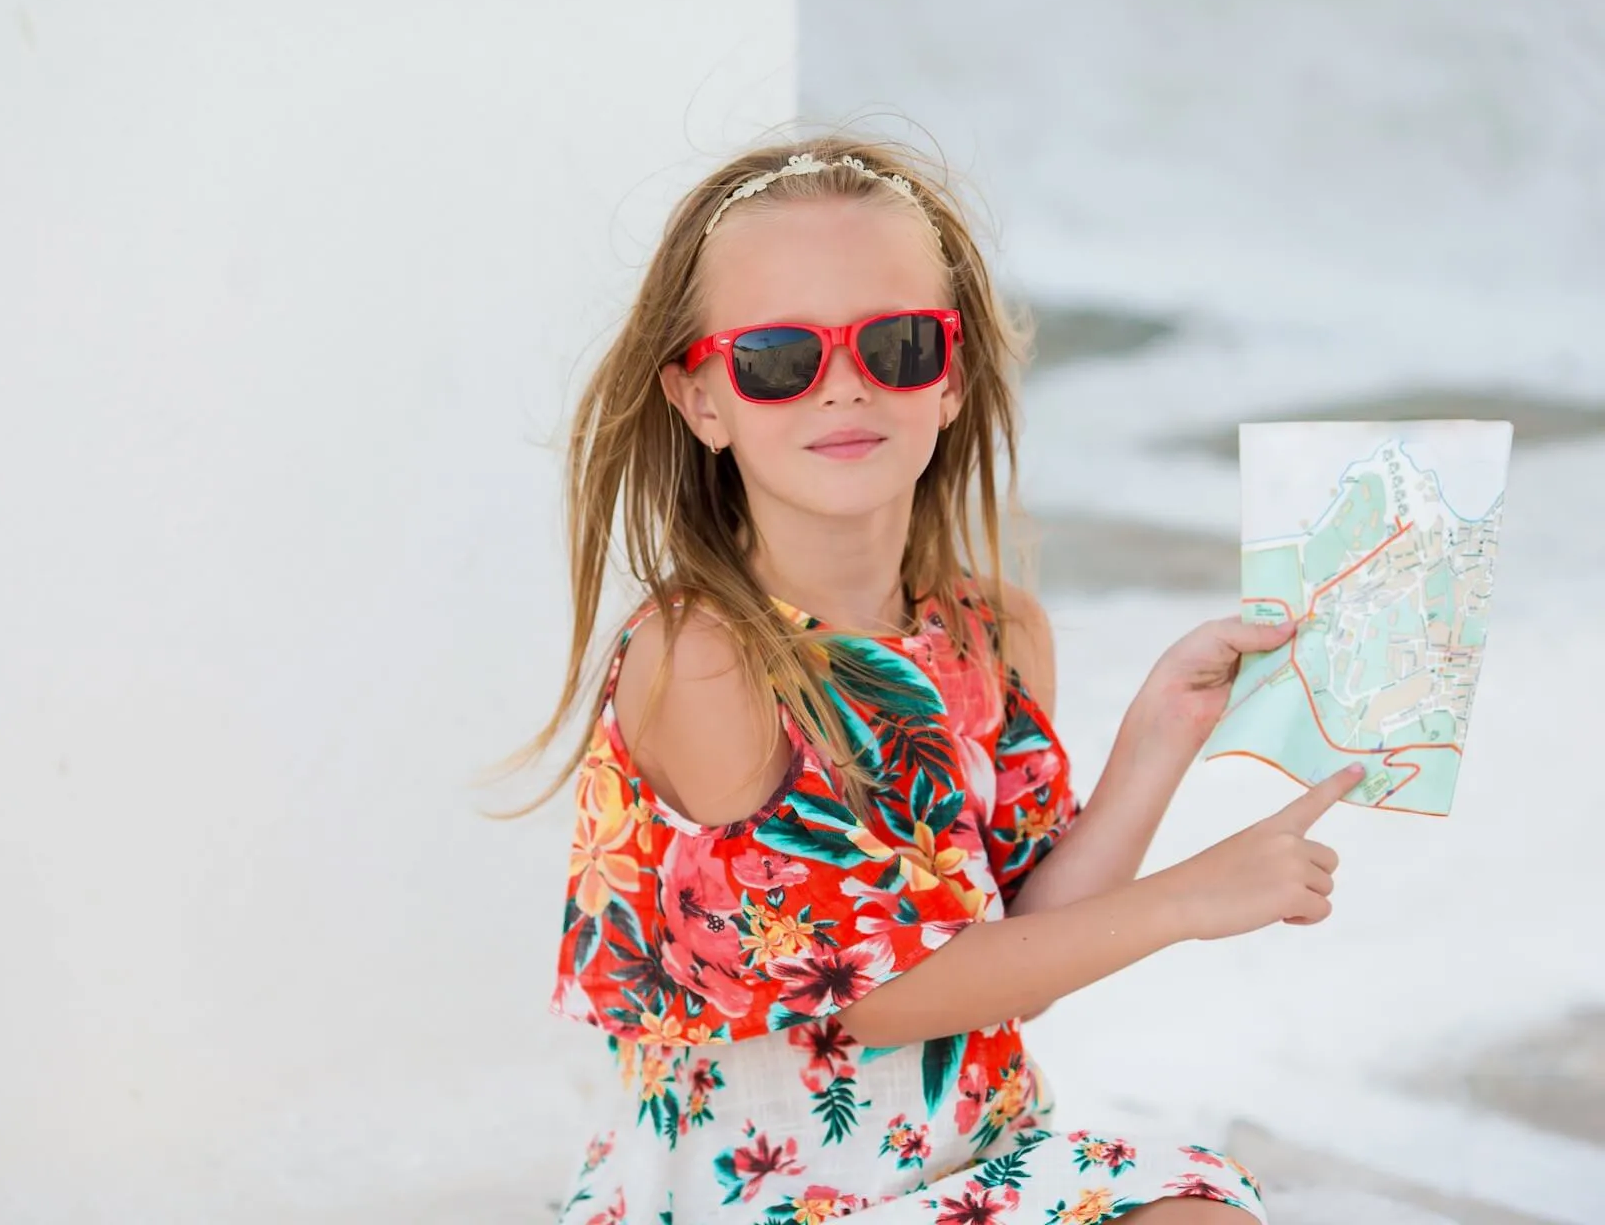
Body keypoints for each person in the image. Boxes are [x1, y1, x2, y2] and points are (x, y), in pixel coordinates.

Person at [518, 137, 1360, 1224]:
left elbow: (1025, 953)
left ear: (952, 376)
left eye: (899, 343)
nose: (847, 385)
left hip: (974, 1164)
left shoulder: (991, 631)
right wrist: (1194, 897)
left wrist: (1160, 734)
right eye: (781, 357)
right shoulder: (706, 655)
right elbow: (881, 998)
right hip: (759, 1201)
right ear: (702, 399)